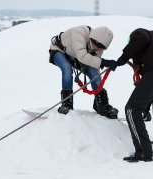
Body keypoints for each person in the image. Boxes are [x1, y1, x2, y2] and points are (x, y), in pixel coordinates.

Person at [49, 25, 118, 119]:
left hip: (76, 56)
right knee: (67, 69)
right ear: (92, 38)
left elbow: (94, 64)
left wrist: (97, 78)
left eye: (102, 47)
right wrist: (104, 62)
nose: (98, 49)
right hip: (60, 50)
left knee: (94, 74)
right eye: (97, 45)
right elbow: (82, 56)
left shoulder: (98, 46)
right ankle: (66, 104)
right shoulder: (80, 33)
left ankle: (101, 105)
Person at [117, 28, 153, 162]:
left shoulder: (141, 34)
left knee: (132, 109)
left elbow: (141, 38)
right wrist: (146, 107)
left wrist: (124, 57)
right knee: (137, 108)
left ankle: (144, 152)